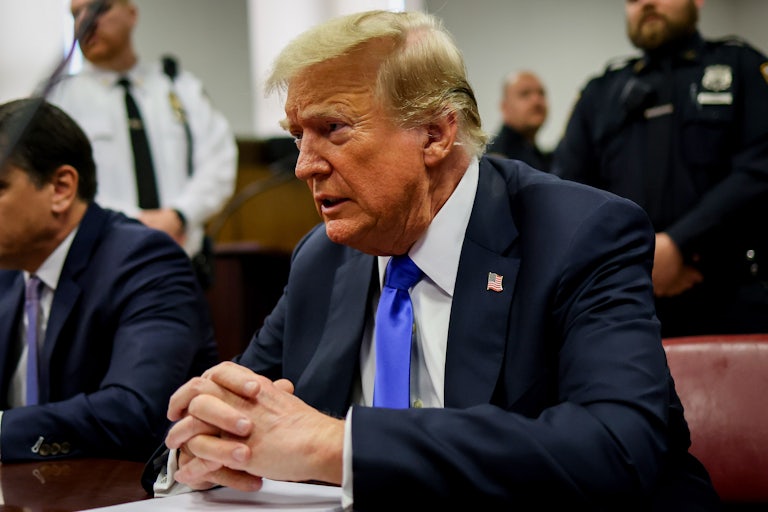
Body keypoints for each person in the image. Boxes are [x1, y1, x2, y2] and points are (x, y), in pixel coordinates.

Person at [145, 10, 720, 510]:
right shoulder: (323, 259)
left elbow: (618, 445)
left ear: (435, 134)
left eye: (332, 128)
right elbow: (236, 416)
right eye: (298, 136)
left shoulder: (580, 234)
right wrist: (201, 449)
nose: (304, 166)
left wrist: (336, 446)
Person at [0, 98, 219, 462]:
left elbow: (134, 410)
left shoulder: (146, 261)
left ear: (61, 188)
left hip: (125, 485)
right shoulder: (9, 270)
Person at [551, 0, 768, 337]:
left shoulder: (742, 67)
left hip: (731, 295)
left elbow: (759, 168)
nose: (647, 3)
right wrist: (640, 258)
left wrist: (679, 243)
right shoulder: (601, 91)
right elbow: (566, 192)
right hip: (622, 301)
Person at [47, 0, 238, 289]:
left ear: (132, 14)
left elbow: (219, 160)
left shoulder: (178, 86)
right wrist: (134, 224)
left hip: (181, 264)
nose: (85, 21)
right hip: (100, 269)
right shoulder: (61, 98)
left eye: (99, 8)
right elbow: (60, 184)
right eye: (76, 14)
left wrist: (179, 215)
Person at [486, 70, 552, 171]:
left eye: (541, 93)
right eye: (525, 94)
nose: (536, 100)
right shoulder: (496, 161)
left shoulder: (542, 158)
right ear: (505, 107)